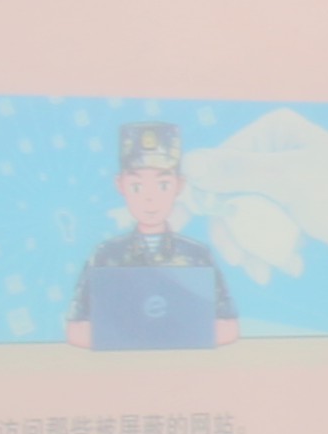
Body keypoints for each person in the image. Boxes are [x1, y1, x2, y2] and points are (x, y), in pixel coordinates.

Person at [67, 117, 238, 351]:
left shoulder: (197, 255)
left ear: (179, 186)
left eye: (163, 185)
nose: (150, 198)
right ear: (120, 185)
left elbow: (228, 326)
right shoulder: (106, 255)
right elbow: (76, 328)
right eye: (137, 186)